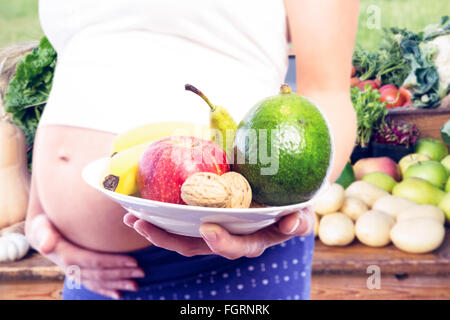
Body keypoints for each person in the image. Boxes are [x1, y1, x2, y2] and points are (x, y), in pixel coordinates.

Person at [26, 0, 358, 300]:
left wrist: (284, 209)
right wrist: (39, 214)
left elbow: (328, 93)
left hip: (231, 261)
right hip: (94, 272)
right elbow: (81, 59)